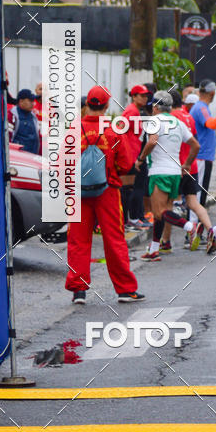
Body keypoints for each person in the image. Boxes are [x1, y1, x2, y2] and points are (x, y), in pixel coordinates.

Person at [65, 86, 145, 304]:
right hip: (108, 191)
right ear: (107, 105)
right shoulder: (113, 130)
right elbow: (126, 164)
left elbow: (63, 163)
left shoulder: (73, 129)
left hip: (79, 192)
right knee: (114, 239)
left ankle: (78, 291)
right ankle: (125, 290)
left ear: (87, 104)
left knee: (78, 240)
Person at [137, 91, 201, 262]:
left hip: (159, 171)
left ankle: (190, 226)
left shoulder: (154, 121)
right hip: (175, 172)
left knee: (159, 212)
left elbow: (152, 142)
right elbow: (195, 145)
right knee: (162, 213)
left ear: (155, 107)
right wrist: (186, 164)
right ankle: (154, 250)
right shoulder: (178, 122)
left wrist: (140, 159)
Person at [161, 90, 215, 252]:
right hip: (192, 166)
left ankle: (166, 242)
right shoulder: (188, 116)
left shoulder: (172, 118)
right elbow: (195, 141)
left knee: (167, 205)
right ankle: (211, 232)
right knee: (194, 203)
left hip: (177, 167)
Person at [121, 85, 152, 229]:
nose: (145, 98)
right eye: (142, 95)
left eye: (146, 95)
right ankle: (129, 220)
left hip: (134, 156)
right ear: (134, 96)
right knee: (129, 189)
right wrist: (132, 158)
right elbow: (121, 134)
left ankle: (129, 220)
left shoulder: (136, 111)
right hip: (131, 157)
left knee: (131, 189)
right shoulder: (131, 112)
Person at [9, 88, 40, 155]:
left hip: (33, 158)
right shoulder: (12, 115)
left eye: (33, 101)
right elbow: (7, 139)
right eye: (30, 101)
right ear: (21, 101)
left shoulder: (33, 116)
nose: (33, 103)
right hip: (18, 158)